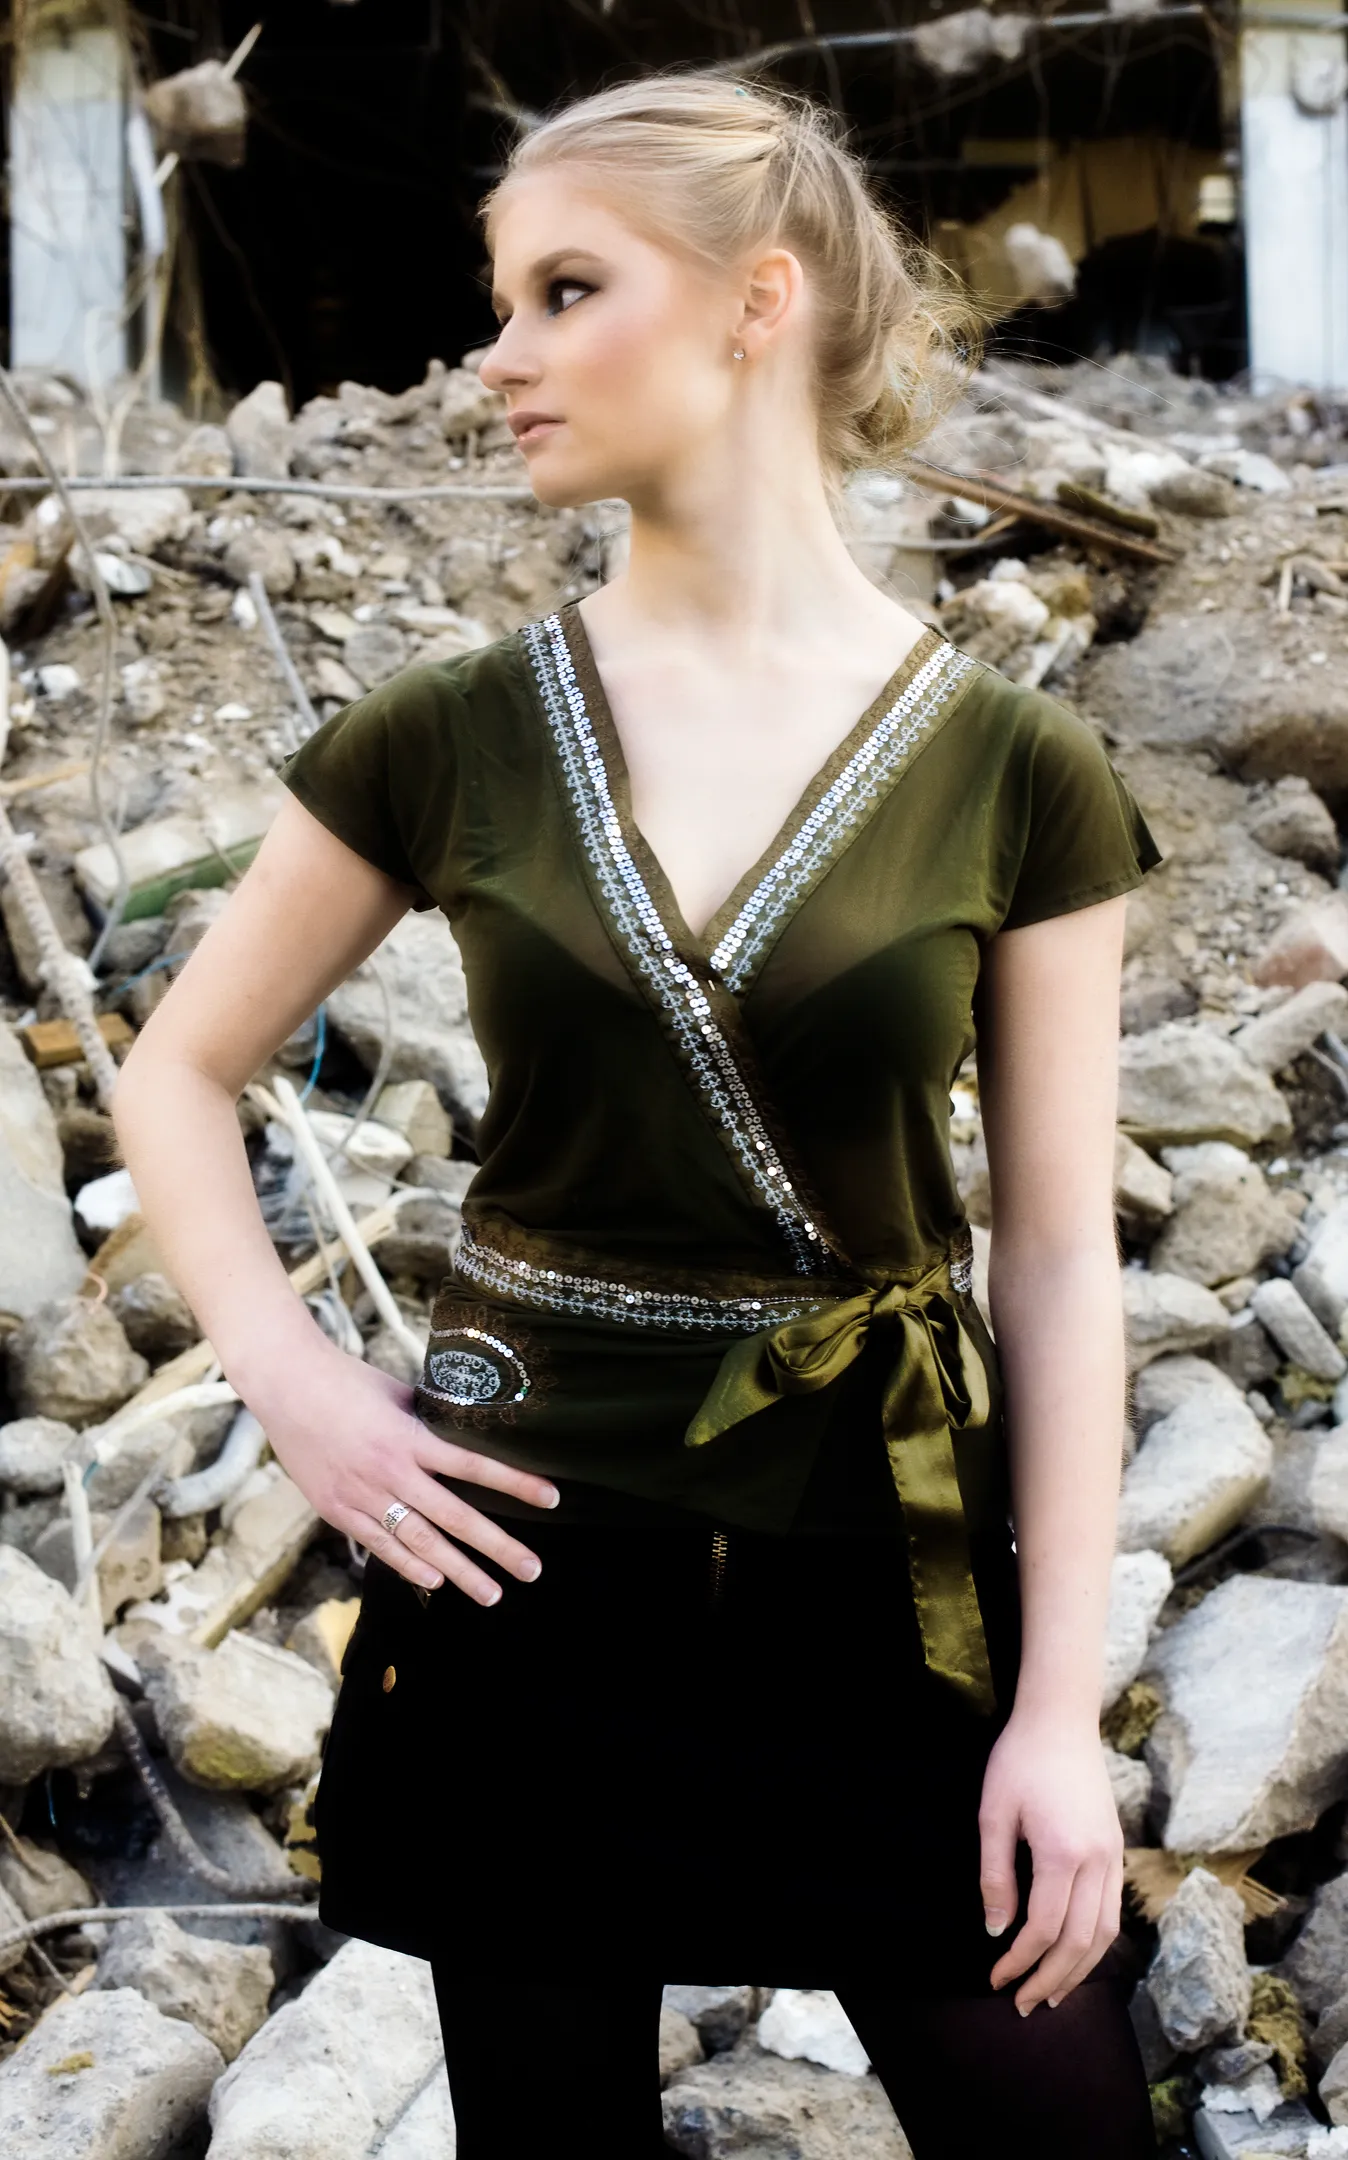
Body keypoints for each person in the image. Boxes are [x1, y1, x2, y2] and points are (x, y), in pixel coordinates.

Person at [110, 66, 1166, 2160]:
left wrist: (1052, 1713)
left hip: (887, 1572)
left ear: (754, 304)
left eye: (558, 289)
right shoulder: (449, 732)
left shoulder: (1015, 770)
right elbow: (175, 1069)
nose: (490, 358)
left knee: (1059, 2126)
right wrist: (308, 1393)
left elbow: (1050, 1259)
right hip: (522, 1578)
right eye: (496, 298)